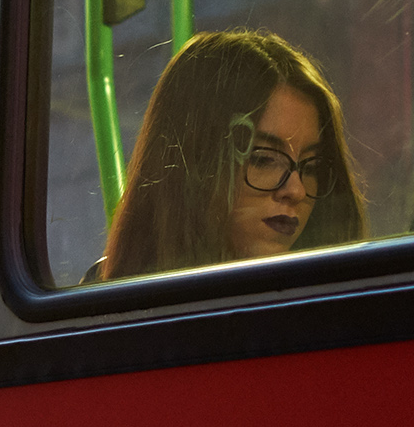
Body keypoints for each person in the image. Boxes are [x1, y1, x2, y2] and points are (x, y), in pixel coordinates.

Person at [99, 30, 366, 282]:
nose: (296, 190)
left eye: (312, 168)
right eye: (263, 159)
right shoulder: (103, 307)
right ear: (194, 168)